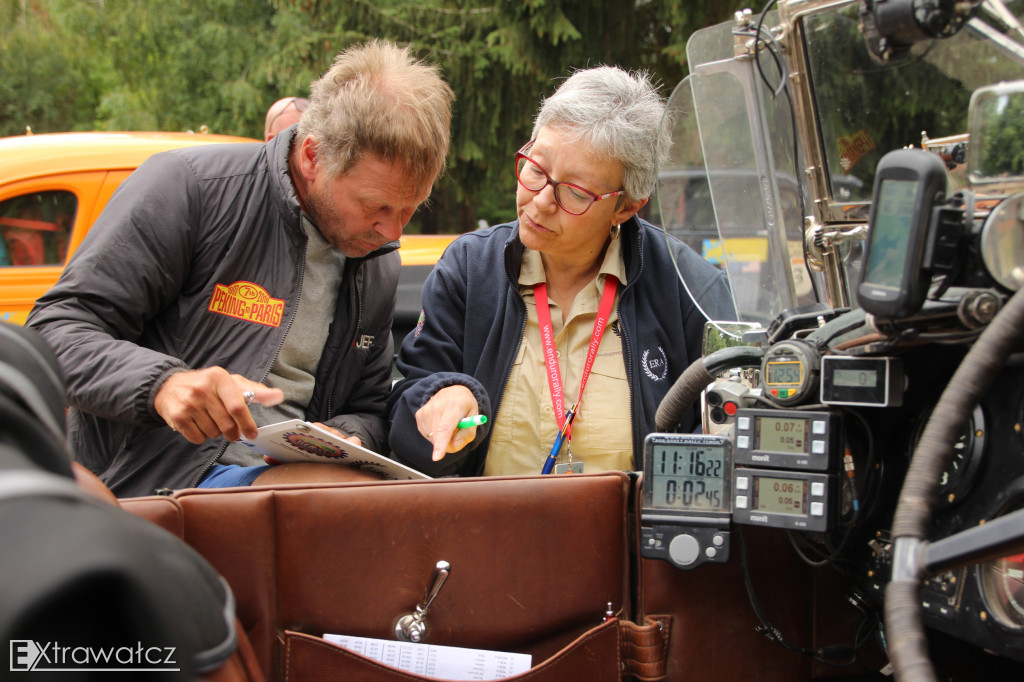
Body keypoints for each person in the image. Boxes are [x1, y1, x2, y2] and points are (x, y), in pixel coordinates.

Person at [28, 40, 454, 497]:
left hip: (293, 483)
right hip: (153, 486)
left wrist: (351, 437)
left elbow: (368, 408)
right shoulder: (190, 188)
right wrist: (163, 384)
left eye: (411, 209)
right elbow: (53, 332)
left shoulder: (377, 262)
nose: (392, 234)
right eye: (377, 206)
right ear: (313, 157)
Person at [387, 65, 736, 478]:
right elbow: (403, 422)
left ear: (626, 206)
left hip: (627, 539)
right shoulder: (468, 270)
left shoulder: (687, 289)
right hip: (485, 532)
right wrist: (441, 398)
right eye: (536, 168)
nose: (539, 202)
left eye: (574, 192)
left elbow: (722, 444)